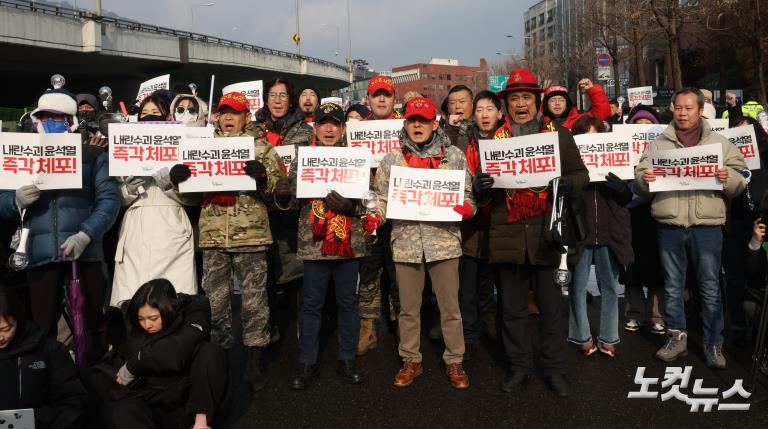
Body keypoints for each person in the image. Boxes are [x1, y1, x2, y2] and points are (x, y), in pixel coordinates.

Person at [481, 69, 589, 397]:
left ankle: (554, 368)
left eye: (527, 97)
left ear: (537, 102)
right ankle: (519, 367)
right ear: (506, 105)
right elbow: (482, 196)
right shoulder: (492, 142)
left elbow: (581, 175)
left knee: (553, 309)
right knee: (511, 310)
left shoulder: (558, 136)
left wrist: (568, 183)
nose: (521, 104)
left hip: (548, 234)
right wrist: (480, 186)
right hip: (508, 235)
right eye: (514, 99)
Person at [169, 92, 284, 391]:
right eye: (224, 113)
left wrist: (264, 181)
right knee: (216, 304)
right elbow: (191, 196)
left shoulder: (262, 149)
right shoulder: (202, 148)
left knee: (254, 302)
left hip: (252, 236)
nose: (229, 118)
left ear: (247, 117)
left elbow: (279, 193)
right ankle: (217, 360)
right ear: (217, 116)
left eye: (236, 113)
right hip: (213, 235)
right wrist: (179, 180)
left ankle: (254, 363)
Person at [0, 88, 120, 365]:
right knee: (41, 324)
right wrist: (15, 200)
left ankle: (94, 380)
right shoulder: (21, 155)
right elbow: (2, 200)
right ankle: (48, 381)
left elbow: (109, 201)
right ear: (35, 120)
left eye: (58, 117)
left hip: (85, 253)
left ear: (71, 121)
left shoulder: (91, 156)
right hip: (39, 254)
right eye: (44, 117)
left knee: (92, 320)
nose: (50, 122)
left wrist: (85, 234)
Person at [365, 97, 475, 389]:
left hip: (444, 242)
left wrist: (468, 208)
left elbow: (468, 195)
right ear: (405, 122)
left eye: (423, 120)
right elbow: (382, 200)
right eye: (413, 120)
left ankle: (455, 361)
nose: (417, 125)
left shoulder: (454, 157)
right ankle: (411, 359)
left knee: (450, 308)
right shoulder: (391, 159)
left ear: (434, 123)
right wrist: (375, 217)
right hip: (406, 243)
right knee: (408, 308)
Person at [635, 87, 747, 369]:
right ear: (672, 109)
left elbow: (741, 176)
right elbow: (640, 178)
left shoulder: (719, 144)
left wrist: (727, 177)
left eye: (688, 108)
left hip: (707, 227)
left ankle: (713, 343)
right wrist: (645, 179)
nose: (682, 113)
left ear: (700, 110)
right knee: (672, 287)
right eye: (678, 108)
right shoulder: (658, 144)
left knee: (709, 287)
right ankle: (676, 337)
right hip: (670, 225)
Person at [279, 103, 368, 389]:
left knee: (347, 304)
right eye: (323, 123)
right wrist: (282, 194)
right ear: (314, 128)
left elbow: (372, 202)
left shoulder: (357, 159)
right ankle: (308, 362)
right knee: (311, 306)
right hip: (314, 244)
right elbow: (290, 203)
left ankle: (347, 359)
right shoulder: (303, 159)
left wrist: (353, 207)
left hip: (348, 243)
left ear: (343, 129)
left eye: (335, 124)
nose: (329, 129)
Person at [93, 279, 227, 429]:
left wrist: (133, 365)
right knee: (118, 410)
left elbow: (175, 353)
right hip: (152, 403)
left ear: (168, 309)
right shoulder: (131, 321)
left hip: (187, 403)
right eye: (141, 319)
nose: (147, 325)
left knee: (210, 352)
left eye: (153, 318)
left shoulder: (194, 309)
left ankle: (201, 425)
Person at [110, 95, 201, 306]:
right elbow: (115, 199)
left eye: (155, 114)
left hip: (172, 225)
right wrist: (129, 190)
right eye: (144, 115)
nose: (149, 118)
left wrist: (171, 186)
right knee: (132, 297)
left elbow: (195, 199)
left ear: (168, 117)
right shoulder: (124, 146)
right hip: (134, 229)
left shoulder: (185, 145)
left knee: (174, 297)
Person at [567, 115, 633, 358]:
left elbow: (627, 199)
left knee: (610, 286)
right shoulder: (570, 164)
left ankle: (608, 337)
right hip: (580, 232)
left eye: (595, 136)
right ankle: (581, 336)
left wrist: (622, 188)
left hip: (610, 231)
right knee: (577, 286)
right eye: (584, 137)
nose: (591, 143)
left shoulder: (616, 160)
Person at [444, 90, 504, 356]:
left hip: (501, 223)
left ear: (499, 113)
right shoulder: (464, 142)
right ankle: (467, 336)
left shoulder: (509, 141)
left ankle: (495, 327)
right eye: (479, 109)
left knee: (495, 284)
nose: (484, 114)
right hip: (469, 225)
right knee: (465, 286)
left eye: (490, 109)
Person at [356, 75, 403, 355]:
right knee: (369, 272)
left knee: (400, 273)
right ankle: (368, 328)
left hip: (399, 210)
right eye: (377, 95)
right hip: (368, 210)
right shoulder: (357, 131)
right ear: (369, 99)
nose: (382, 99)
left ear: (394, 98)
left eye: (386, 95)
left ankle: (401, 328)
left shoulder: (405, 128)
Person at [0, 288, 87, 429]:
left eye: (5, 329)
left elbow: (72, 401)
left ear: (18, 320)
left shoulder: (50, 351)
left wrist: (33, 421)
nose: (0, 338)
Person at [722, 116, 768, 347]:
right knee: (733, 279)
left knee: (757, 278)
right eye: (737, 132)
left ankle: (759, 327)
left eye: (747, 130)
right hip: (733, 225)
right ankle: (738, 326)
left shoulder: (766, 154)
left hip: (759, 225)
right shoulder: (727, 157)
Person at [622, 104, 665, 335]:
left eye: (649, 123)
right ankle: (634, 313)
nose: (643, 128)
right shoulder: (621, 150)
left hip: (659, 212)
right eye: (638, 123)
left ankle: (657, 315)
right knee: (632, 267)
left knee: (658, 268)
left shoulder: (667, 146)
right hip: (631, 215)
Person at [540, 78, 611, 130]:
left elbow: (602, 114)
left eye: (561, 100)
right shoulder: (539, 124)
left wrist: (593, 91)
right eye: (552, 100)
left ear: (567, 103)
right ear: (546, 104)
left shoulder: (580, 121)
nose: (557, 103)